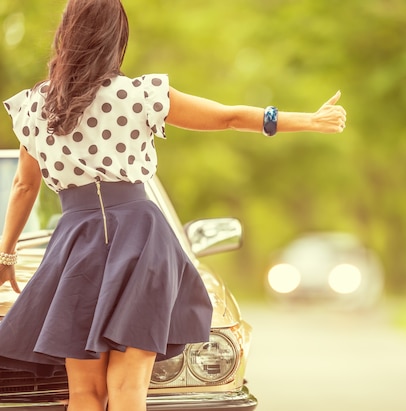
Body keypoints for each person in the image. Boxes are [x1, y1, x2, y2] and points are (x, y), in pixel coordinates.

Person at [0, 0, 346, 410]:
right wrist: (305, 119)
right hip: (142, 241)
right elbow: (228, 117)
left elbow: (24, 185)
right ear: (116, 39)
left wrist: (7, 253)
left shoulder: (36, 107)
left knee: (85, 393)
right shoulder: (140, 94)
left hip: (77, 244)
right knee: (129, 389)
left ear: (65, 36)